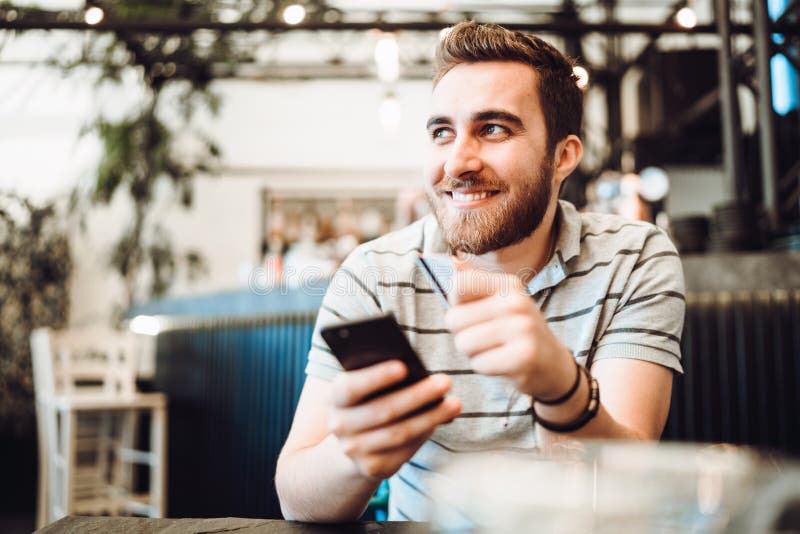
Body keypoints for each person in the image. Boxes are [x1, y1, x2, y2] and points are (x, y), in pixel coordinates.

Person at [275, 21, 685, 522]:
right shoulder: (374, 273)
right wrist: (354, 455)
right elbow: (295, 498)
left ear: (563, 156)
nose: (457, 163)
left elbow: (623, 492)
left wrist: (561, 388)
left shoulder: (634, 257)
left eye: (493, 129)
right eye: (442, 132)